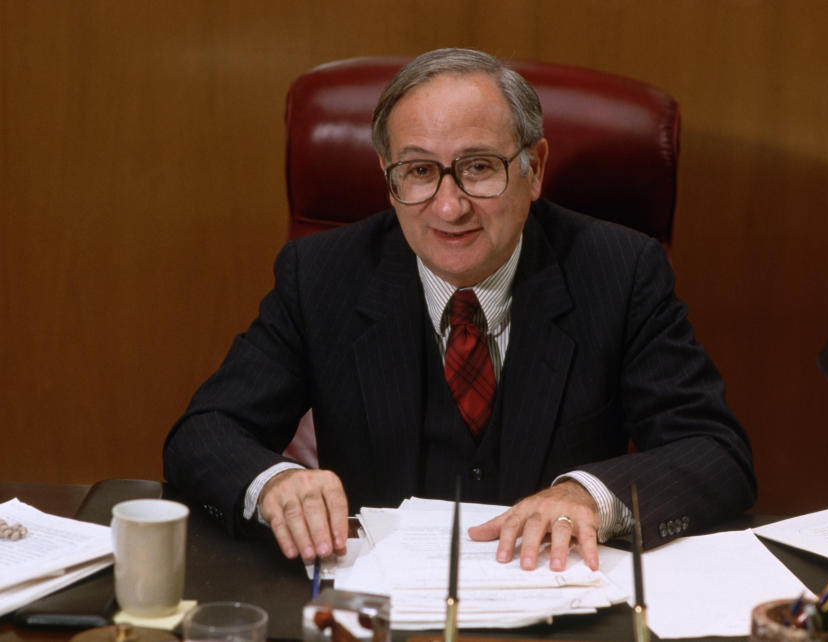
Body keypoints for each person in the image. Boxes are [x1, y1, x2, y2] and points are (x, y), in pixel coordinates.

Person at [163, 47, 756, 574]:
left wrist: (589, 496)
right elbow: (204, 435)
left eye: (478, 167)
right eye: (419, 172)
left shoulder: (620, 271)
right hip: (377, 604)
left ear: (535, 168)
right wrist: (276, 484)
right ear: (387, 177)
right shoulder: (320, 275)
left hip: (557, 594)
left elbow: (716, 452)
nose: (448, 207)